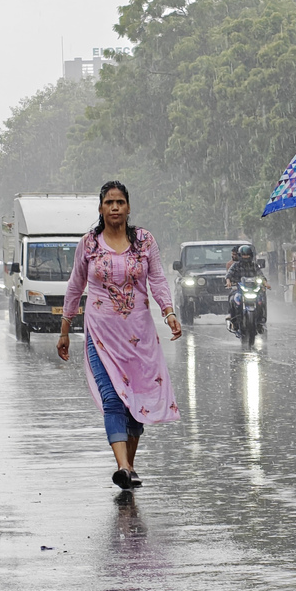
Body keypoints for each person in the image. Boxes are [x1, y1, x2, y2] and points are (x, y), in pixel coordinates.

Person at [57, 181, 182, 490]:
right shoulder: (89, 244)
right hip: (101, 336)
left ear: (128, 207)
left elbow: (158, 278)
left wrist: (168, 312)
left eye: (120, 202)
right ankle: (123, 466)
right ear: (100, 209)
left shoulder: (144, 241)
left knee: (135, 403)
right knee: (113, 400)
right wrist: (65, 328)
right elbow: (76, 286)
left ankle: (129, 467)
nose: (114, 207)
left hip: (139, 337)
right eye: (109, 202)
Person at [225, 244, 268, 332]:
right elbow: (229, 275)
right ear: (240, 256)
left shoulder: (254, 265)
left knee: (262, 298)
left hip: (254, 288)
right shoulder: (235, 265)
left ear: (251, 255)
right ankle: (233, 319)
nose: (246, 257)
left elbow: (261, 275)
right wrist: (229, 282)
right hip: (239, 288)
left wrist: (265, 283)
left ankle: (261, 320)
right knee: (232, 297)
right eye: (244, 255)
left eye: (247, 255)